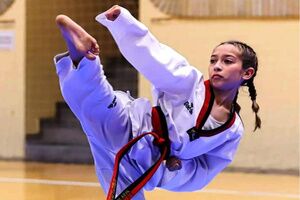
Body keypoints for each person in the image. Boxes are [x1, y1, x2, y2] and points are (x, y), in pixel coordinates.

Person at [54, 5, 261, 200]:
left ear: (247, 73)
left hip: (149, 164)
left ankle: (81, 61)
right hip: (133, 127)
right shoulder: (190, 84)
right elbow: (154, 56)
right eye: (213, 60)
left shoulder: (232, 130)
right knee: (95, 103)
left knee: (88, 106)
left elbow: (206, 168)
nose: (217, 66)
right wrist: (123, 24)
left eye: (227, 61)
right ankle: (85, 57)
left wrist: (176, 169)